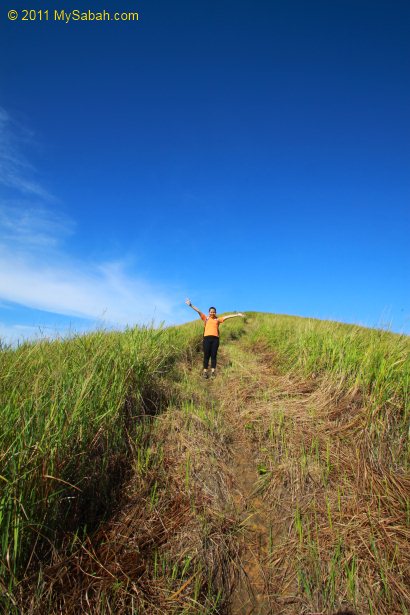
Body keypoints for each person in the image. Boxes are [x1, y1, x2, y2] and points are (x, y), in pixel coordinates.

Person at [185, 298, 244, 378]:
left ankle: (213, 372)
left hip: (215, 339)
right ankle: (205, 372)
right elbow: (198, 311)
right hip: (206, 339)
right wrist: (191, 305)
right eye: (211, 312)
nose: (212, 313)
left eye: (213, 312)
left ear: (215, 313)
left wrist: (237, 315)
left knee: (213, 355)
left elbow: (227, 317)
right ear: (209, 312)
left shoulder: (217, 319)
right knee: (206, 355)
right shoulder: (206, 318)